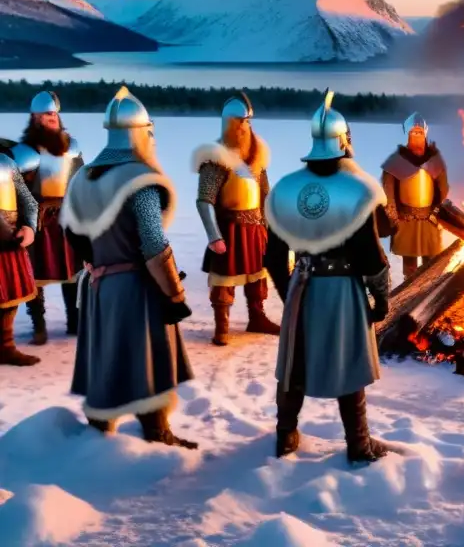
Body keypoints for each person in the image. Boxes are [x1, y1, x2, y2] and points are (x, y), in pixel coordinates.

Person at [60, 87, 196, 448]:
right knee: (147, 361)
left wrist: (95, 259)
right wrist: (174, 294)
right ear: (142, 132)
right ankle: (156, 433)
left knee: (107, 359)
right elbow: (153, 242)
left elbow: (70, 229)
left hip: (99, 287)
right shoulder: (140, 180)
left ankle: (100, 434)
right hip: (137, 287)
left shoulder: (83, 176)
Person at [264, 91, 391, 462]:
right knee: (348, 364)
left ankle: (285, 436)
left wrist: (290, 291)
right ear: (343, 141)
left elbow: (273, 255)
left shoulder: (286, 188)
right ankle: (359, 444)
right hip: (343, 292)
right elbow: (371, 254)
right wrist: (380, 298)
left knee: (294, 363)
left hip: (302, 287)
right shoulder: (356, 187)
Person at [192, 92, 278, 346]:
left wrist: (272, 228)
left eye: (247, 122)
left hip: (255, 227)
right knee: (223, 280)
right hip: (228, 228)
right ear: (228, 124)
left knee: (258, 275)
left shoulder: (257, 158)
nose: (244, 127)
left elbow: (265, 196)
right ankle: (222, 326)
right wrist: (213, 235)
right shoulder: (216, 159)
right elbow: (204, 200)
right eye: (239, 122)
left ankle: (257, 317)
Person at [8, 91, 84, 343]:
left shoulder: (71, 147)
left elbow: (79, 179)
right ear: (34, 117)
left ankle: (74, 321)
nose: (51, 118)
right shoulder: (24, 152)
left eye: (54, 114)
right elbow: (16, 188)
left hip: (67, 216)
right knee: (35, 273)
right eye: (45, 114)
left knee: (73, 272)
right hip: (37, 219)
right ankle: (39, 326)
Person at [380, 112, 449, 279]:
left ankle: (430, 295)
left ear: (425, 133)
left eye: (419, 132)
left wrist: (437, 210)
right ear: (407, 134)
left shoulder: (434, 159)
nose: (416, 135)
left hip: (429, 220)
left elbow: (443, 187)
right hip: (406, 219)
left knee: (431, 267)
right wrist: (393, 212)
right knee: (409, 269)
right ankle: (408, 296)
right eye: (413, 132)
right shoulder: (397, 160)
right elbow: (388, 187)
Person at [0, 151, 40, 367]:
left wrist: (28, 228)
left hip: (9, 241)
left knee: (9, 298)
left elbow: (28, 202)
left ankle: (5, 347)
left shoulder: (6, 163)